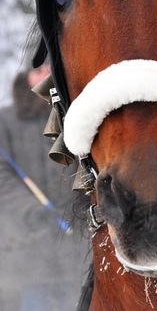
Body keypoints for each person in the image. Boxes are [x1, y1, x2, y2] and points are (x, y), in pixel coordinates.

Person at [0, 64, 89, 311]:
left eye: (51, 67)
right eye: (39, 69)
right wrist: (30, 210)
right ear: (25, 75)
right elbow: (2, 177)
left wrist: (77, 202)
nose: (46, 74)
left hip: (78, 244)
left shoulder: (79, 118)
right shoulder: (5, 121)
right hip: (28, 244)